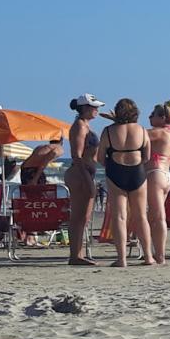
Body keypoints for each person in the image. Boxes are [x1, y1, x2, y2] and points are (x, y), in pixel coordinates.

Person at [99, 98, 154, 267]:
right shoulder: (142, 130)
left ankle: (122, 259)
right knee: (141, 216)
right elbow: (147, 157)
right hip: (137, 171)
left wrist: (113, 165)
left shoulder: (108, 131)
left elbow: (100, 158)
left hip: (116, 171)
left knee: (119, 216)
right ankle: (148, 257)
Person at [65, 93, 104, 266]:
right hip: (80, 173)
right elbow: (76, 155)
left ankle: (78, 254)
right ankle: (75, 255)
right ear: (85, 108)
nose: (97, 110)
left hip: (86, 172)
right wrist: (87, 178)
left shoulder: (85, 126)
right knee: (78, 217)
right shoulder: (79, 126)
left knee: (84, 217)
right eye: (94, 107)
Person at [145, 101, 170, 265]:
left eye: (153, 115)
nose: (149, 117)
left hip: (155, 173)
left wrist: (120, 122)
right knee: (155, 216)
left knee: (158, 217)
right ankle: (157, 252)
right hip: (166, 174)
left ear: (162, 118)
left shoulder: (158, 132)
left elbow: (136, 134)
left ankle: (160, 254)